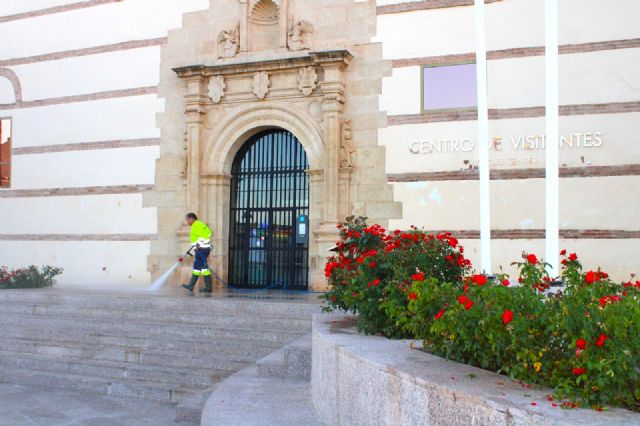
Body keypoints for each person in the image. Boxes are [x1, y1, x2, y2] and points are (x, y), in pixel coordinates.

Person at [182, 213, 213, 293]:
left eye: (188, 220)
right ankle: (191, 286)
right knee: (197, 267)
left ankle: (208, 288)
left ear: (192, 219)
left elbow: (208, 234)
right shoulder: (197, 225)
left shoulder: (197, 225)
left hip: (202, 249)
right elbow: (205, 234)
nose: (187, 222)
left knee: (204, 268)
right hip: (200, 249)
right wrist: (196, 245)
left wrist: (200, 243)